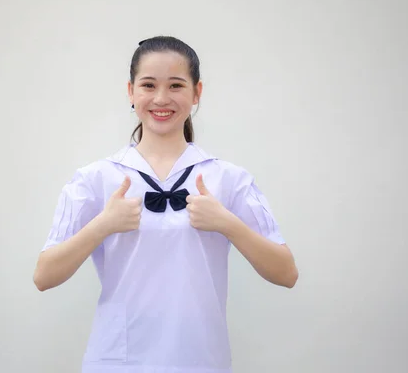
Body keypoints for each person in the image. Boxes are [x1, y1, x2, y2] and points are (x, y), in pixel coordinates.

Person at [33, 36, 298, 373]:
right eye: (148, 85)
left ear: (196, 92)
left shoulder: (229, 179)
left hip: (202, 360)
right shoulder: (94, 179)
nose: (161, 98)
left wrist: (227, 222)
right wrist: (103, 224)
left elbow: (286, 272)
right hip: (118, 360)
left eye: (176, 85)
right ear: (130, 91)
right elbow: (44, 275)